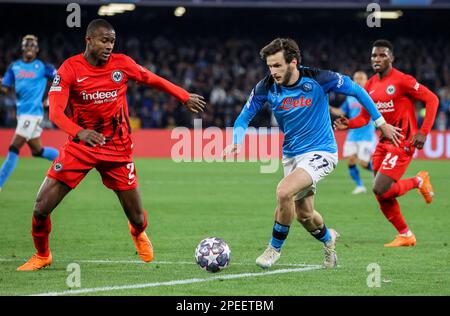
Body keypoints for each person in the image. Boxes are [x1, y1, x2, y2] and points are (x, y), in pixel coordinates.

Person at [17, 19, 206, 271]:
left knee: (138, 217)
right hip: (80, 147)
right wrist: (80, 132)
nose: (109, 46)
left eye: (112, 41)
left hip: (117, 148)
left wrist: (183, 96)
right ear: (89, 40)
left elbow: (152, 78)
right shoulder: (69, 69)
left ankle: (138, 233)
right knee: (41, 207)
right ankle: (42, 255)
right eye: (104, 40)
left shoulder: (122, 64)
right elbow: (56, 114)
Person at [223, 38, 401, 269]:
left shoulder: (319, 78)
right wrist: (237, 140)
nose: (272, 71)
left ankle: (273, 249)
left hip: (321, 151)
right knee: (305, 215)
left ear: (293, 62)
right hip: (292, 154)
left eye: (277, 65)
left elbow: (357, 90)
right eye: (269, 66)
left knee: (283, 191)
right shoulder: (266, 86)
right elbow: (244, 117)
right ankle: (329, 239)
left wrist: (380, 122)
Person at [334, 39, 439, 247]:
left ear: (391, 58)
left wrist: (423, 132)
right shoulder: (370, 85)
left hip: (403, 142)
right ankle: (406, 234)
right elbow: (364, 117)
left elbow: (432, 99)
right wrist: (349, 123)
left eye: (382, 55)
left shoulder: (403, 80)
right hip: (382, 143)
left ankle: (418, 181)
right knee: (382, 194)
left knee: (380, 187)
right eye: (374, 55)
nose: (377, 59)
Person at [0, 35, 59, 191]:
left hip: (33, 114)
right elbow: (5, 87)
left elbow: (60, 79)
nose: (29, 48)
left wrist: (51, 98)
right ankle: (65, 161)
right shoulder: (14, 67)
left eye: (33, 45)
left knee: (14, 147)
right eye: (27, 45)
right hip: (22, 115)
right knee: (37, 151)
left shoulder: (42, 67)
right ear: (22, 48)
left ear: (37, 49)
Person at [330, 71, 376, 194]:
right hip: (352, 135)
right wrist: (328, 107)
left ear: (367, 81)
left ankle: (379, 173)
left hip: (367, 135)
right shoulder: (350, 97)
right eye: (356, 78)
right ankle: (360, 186)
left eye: (361, 78)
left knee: (364, 163)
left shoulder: (371, 95)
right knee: (350, 160)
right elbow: (341, 111)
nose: (358, 81)